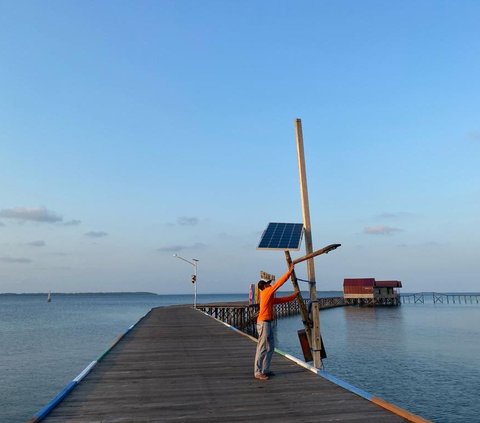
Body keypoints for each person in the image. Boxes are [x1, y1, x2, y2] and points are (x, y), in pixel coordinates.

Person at [254, 264, 298, 380]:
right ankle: (258, 372)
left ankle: (265, 369)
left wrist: (293, 296)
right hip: (263, 323)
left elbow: (280, 300)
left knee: (271, 347)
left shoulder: (268, 296)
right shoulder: (266, 292)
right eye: (268, 283)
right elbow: (278, 283)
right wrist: (289, 272)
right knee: (262, 347)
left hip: (267, 323)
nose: (270, 284)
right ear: (264, 286)